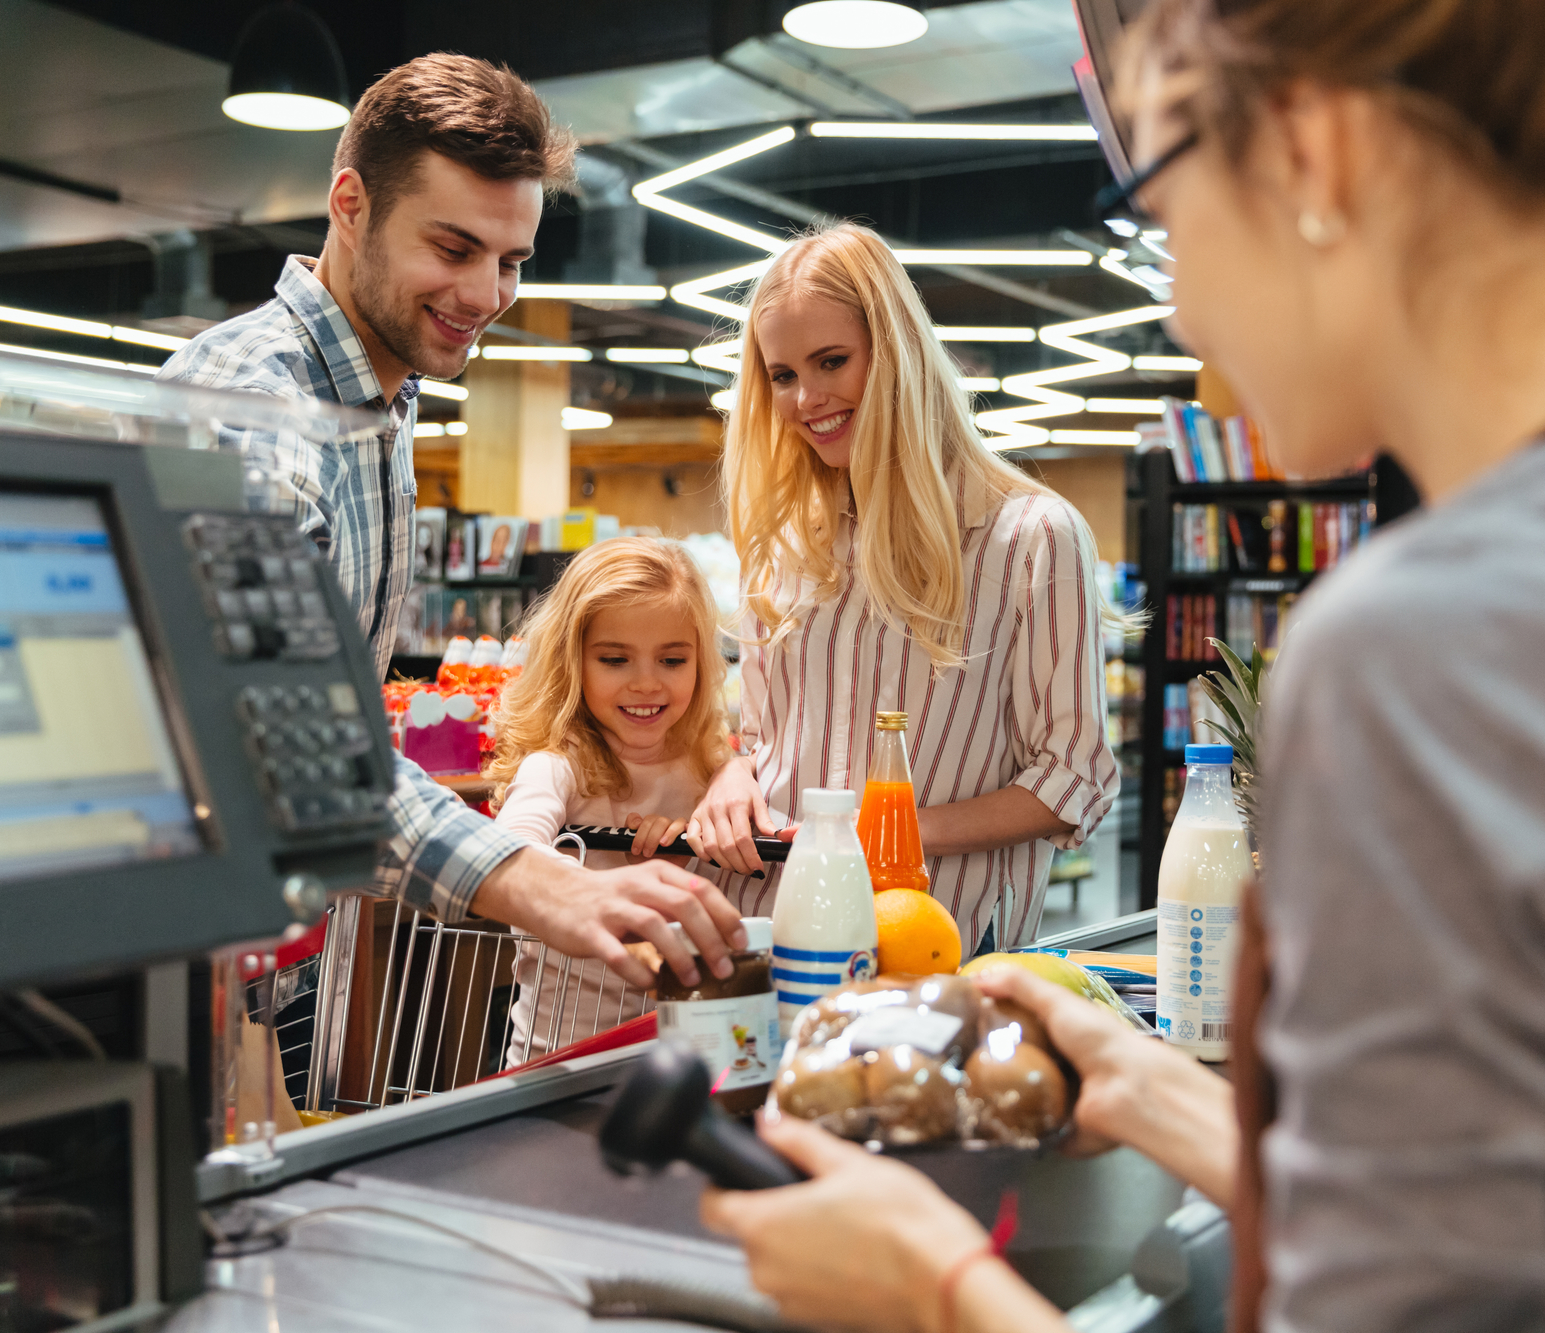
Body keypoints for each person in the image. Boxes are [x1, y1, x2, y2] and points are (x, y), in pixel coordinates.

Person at [704, 0, 1545, 1329]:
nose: (1179, 301)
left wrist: (932, 1286)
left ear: (1315, 156)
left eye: (1168, 207)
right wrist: (1166, 1097)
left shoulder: (1425, 641)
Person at [159, 54, 740, 992]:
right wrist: (536, 882)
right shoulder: (253, 415)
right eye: (454, 248)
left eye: (510, 261)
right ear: (350, 204)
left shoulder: (380, 397)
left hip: (251, 947)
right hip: (164, 948)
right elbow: (280, 734)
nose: (486, 296)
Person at [687, 223, 1121, 951]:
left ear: (896, 353)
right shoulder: (788, 543)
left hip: (931, 936)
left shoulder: (1027, 536)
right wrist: (731, 773)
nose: (805, 398)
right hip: (774, 918)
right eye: (782, 375)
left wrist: (894, 831)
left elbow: (1074, 776)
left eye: (832, 361)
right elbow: (763, 737)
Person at [484, 537, 735, 1065]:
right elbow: (509, 847)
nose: (646, 683)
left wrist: (677, 862)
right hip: (559, 1060)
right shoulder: (559, 765)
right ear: (572, 661)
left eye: (671, 659)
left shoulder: (713, 771)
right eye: (615, 659)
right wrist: (619, 887)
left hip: (690, 1054)